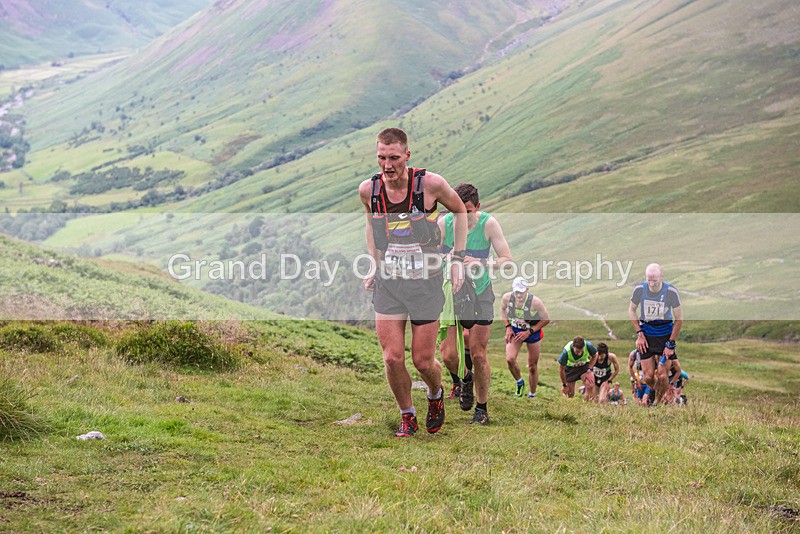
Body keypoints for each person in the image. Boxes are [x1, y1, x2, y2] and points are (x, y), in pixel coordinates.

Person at [359, 127, 467, 438]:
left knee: (422, 360)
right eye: (381, 157)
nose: (387, 165)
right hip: (390, 282)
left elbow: (459, 210)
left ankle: (435, 393)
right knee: (392, 357)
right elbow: (371, 226)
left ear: (407, 155)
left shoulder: (430, 184)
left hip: (426, 282)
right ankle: (407, 415)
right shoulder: (369, 190)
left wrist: (457, 260)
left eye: (393, 158)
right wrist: (374, 265)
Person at [438, 183, 513, 425]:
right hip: (451, 291)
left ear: (477, 207)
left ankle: (481, 409)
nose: (462, 216)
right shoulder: (444, 223)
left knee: (479, 354)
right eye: (456, 211)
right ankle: (464, 378)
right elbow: (431, 256)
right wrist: (448, 257)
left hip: (480, 292)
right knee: (448, 354)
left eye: (467, 211)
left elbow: (506, 260)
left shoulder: (488, 224)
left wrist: (482, 263)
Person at [628, 263, 683, 405]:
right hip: (646, 333)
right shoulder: (640, 289)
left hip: (665, 333)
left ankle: (657, 403)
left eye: (655, 281)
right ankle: (656, 390)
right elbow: (631, 310)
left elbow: (679, 319)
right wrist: (639, 333)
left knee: (663, 375)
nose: (652, 284)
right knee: (648, 377)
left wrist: (670, 344)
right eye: (649, 280)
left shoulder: (671, 291)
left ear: (662, 278)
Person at [500, 277, 550, 399]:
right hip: (515, 330)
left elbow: (546, 319)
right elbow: (502, 310)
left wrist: (529, 332)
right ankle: (519, 382)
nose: (519, 295)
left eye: (521, 292)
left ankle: (532, 394)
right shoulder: (507, 298)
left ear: (527, 290)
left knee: (532, 366)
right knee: (510, 359)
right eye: (516, 291)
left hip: (532, 332)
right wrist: (508, 327)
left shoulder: (536, 302)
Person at [558, 336, 598, 401]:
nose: (579, 354)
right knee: (570, 393)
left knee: (590, 385)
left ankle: (586, 403)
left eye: (581, 351)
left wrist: (589, 369)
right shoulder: (566, 352)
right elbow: (561, 370)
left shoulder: (588, 345)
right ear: (573, 346)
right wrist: (564, 385)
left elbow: (595, 355)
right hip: (570, 369)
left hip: (584, 366)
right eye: (577, 351)